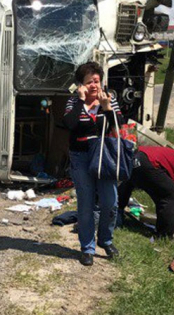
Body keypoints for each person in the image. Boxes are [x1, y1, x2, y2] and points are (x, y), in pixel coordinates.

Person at [63, 62, 123, 266]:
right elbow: (70, 125)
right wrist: (81, 101)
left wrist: (106, 108)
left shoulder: (109, 100)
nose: (94, 85)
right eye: (89, 82)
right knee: (86, 204)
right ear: (81, 85)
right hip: (80, 157)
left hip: (103, 156)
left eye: (97, 81)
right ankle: (87, 248)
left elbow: (117, 127)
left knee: (110, 202)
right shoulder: (73, 102)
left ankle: (105, 240)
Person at [118, 146, 174, 238]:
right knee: (173, 195)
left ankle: (115, 210)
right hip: (149, 162)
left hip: (137, 156)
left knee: (130, 181)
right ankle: (164, 235)